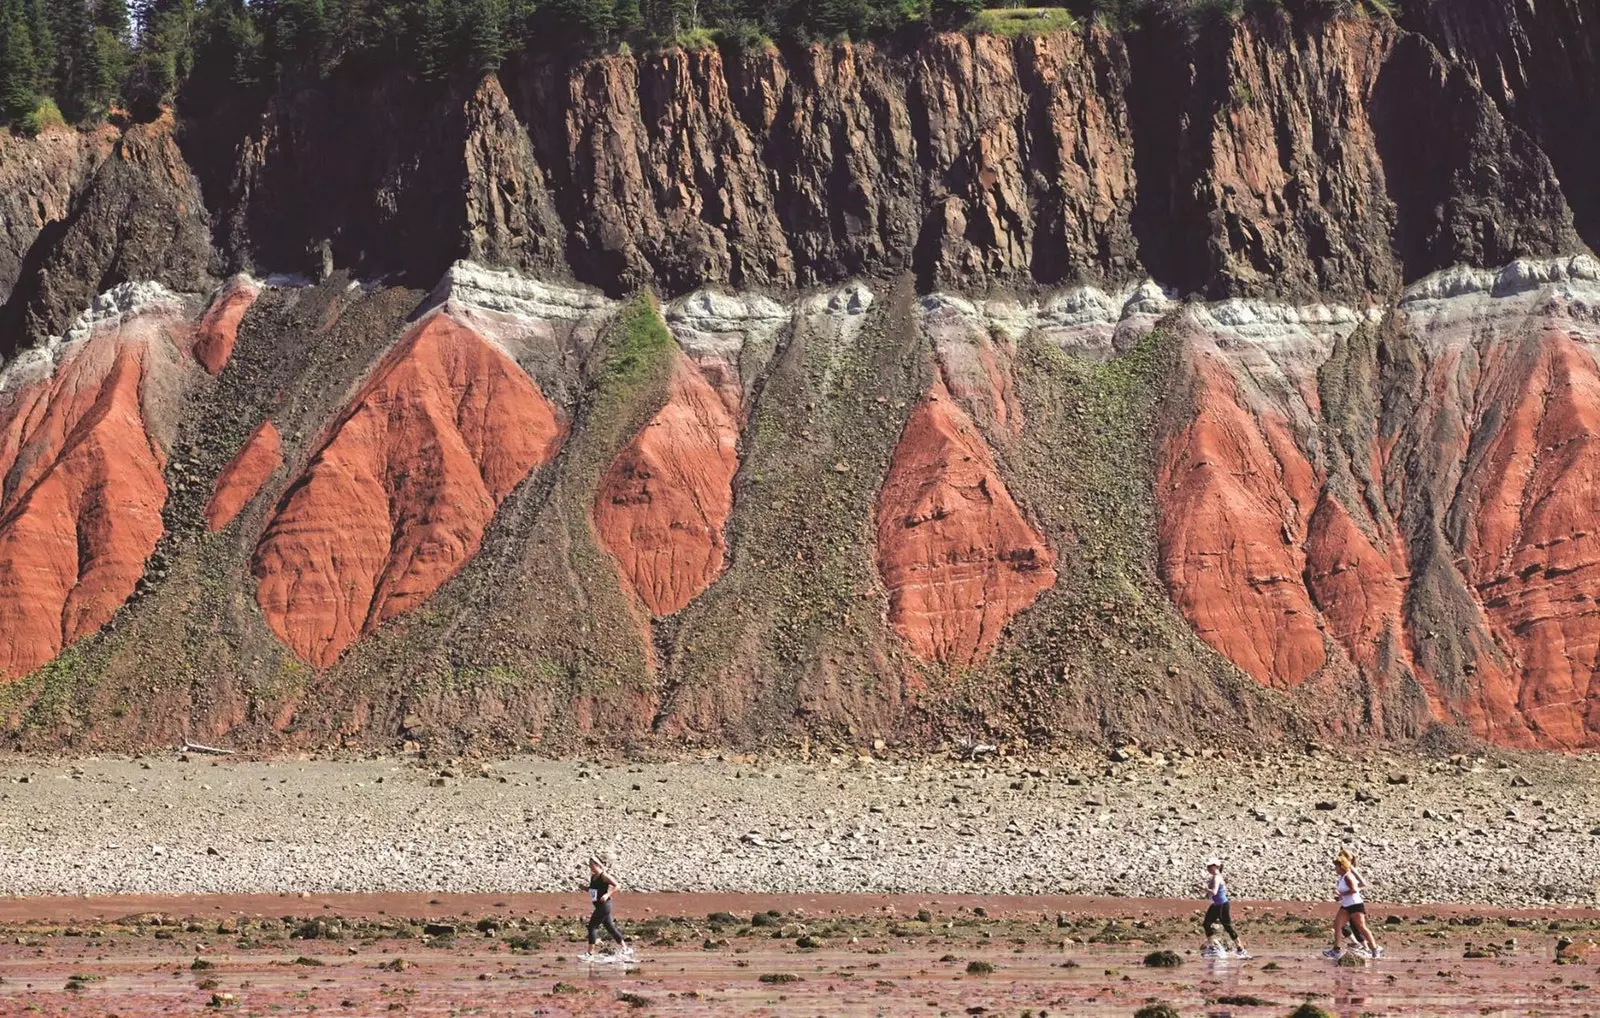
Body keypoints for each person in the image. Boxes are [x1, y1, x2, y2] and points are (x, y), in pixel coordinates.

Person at [1324, 853, 1382, 959]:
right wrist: (1339, 896)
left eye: (1336, 866)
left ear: (1341, 866)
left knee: (1361, 927)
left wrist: (1341, 895)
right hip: (1346, 905)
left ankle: (1374, 949)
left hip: (1355, 905)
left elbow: (1354, 890)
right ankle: (1336, 950)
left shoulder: (1348, 876)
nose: (1335, 869)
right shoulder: (1341, 877)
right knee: (1337, 925)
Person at [582, 856, 632, 961]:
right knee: (610, 927)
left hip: (605, 905)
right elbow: (593, 891)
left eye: (592, 865)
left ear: (597, 864)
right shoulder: (593, 877)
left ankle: (590, 953)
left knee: (592, 926)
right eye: (589, 865)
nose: (590, 867)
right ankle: (625, 948)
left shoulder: (604, 876)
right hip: (599, 905)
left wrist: (607, 894)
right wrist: (584, 888)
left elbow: (617, 885)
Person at [1200, 857, 1248, 958]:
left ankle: (1240, 948)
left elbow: (1214, 892)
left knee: (1227, 926)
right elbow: (1212, 894)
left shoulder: (1217, 877)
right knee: (1206, 924)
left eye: (1210, 866)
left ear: (1216, 867)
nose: (1208, 868)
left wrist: (1204, 888)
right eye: (1207, 866)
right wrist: (1207, 893)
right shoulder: (1214, 877)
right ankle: (1214, 946)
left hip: (1222, 905)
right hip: (1216, 904)